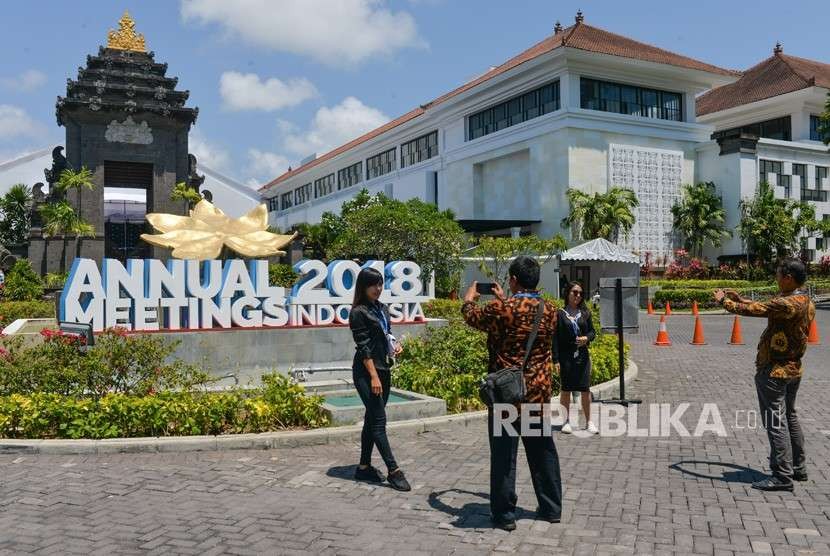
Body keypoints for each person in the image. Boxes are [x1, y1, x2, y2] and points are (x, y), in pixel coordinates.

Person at [462, 256, 563, 531]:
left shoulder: (502, 308)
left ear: (514, 279)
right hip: (537, 392)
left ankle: (505, 515)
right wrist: (505, 299)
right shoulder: (550, 309)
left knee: (504, 455)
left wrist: (469, 298)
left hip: (507, 395)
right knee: (542, 452)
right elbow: (524, 320)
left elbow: (472, 317)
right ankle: (552, 508)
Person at [714, 258, 816, 492]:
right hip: (793, 369)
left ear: (789, 277)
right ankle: (798, 468)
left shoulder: (787, 303)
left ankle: (781, 476)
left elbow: (756, 310)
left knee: (775, 421)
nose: (776, 276)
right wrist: (741, 298)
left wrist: (725, 301)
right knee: (789, 417)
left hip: (774, 370)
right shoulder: (804, 301)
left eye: (779, 273)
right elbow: (768, 306)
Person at [349, 267, 411, 492]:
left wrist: (394, 345)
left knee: (372, 418)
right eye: (373, 284)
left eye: (380, 284)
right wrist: (373, 376)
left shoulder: (382, 308)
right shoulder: (358, 312)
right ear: (363, 286)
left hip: (384, 368)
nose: (378, 288)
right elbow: (363, 348)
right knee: (379, 421)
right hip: (366, 373)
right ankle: (394, 470)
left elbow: (386, 334)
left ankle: (363, 467)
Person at [553, 282, 597, 435]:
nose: (578, 295)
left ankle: (589, 421)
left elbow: (593, 332)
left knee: (585, 389)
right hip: (566, 356)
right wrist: (555, 360)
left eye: (580, 293)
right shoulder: (560, 313)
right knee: (566, 389)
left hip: (582, 355)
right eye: (574, 292)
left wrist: (587, 338)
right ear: (567, 293)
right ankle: (565, 421)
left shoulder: (585, 313)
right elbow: (555, 338)